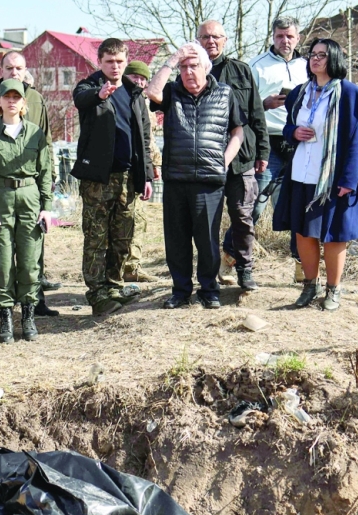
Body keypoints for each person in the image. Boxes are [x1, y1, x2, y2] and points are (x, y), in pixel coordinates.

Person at [146, 42, 245, 310]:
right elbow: (151, 92)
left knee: (207, 242)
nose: (188, 72)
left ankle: (209, 290)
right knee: (176, 241)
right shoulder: (171, 92)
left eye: (194, 66)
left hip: (209, 182)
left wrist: (224, 160)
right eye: (183, 67)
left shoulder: (225, 93)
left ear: (206, 67)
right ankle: (180, 291)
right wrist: (171, 59)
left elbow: (238, 131)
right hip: (176, 179)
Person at [274, 39, 358, 312]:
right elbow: (287, 128)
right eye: (312, 55)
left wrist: (349, 181)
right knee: (303, 232)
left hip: (333, 177)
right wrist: (293, 132)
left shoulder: (348, 93)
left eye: (322, 55)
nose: (315, 60)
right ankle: (309, 286)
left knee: (334, 235)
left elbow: (355, 141)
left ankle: (333, 290)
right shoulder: (300, 93)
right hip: (302, 172)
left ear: (334, 59)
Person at [72, 38, 154, 316]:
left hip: (129, 178)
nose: (115, 67)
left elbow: (143, 137)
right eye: (109, 62)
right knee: (96, 237)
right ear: (100, 62)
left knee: (123, 236)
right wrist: (101, 95)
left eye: (120, 61)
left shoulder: (134, 91)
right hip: (98, 179)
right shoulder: (89, 86)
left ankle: (114, 285)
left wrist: (147, 176)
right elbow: (80, 99)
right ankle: (97, 293)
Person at [0, 79, 54, 343]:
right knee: (3, 262)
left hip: (30, 199)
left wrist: (47, 208)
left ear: (23, 103)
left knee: (30, 262)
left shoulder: (35, 133)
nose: (11, 101)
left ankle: (28, 314)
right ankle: (6, 315)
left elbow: (45, 172)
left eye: (16, 97)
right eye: (6, 96)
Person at [0, 51, 60, 316]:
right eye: (9, 68)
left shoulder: (35, 98)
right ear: (0, 70)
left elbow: (46, 139)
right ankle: (4, 306)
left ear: (26, 70)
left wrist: (50, 177)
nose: (15, 72)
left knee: (31, 249)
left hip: (30, 186)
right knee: (1, 252)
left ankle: (35, 303)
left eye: (19, 68)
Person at [196, 20, 269, 292]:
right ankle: (209, 275)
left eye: (215, 37)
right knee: (207, 223)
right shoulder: (191, 72)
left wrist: (263, 150)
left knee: (242, 217)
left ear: (224, 40)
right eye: (205, 37)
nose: (210, 42)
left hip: (242, 161)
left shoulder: (241, 70)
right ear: (197, 40)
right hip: (205, 161)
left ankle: (244, 269)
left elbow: (257, 113)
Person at [248, 16, 309, 282]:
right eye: (280, 36)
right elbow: (242, 108)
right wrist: (265, 103)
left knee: (300, 207)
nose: (285, 41)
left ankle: (302, 266)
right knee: (254, 205)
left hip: (301, 144)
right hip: (268, 143)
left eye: (290, 36)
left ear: (298, 38)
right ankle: (231, 258)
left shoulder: (309, 66)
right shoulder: (256, 66)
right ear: (272, 36)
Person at [120, 60, 162, 284]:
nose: (139, 81)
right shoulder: (124, 99)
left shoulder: (144, 101)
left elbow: (150, 140)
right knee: (130, 219)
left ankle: (133, 265)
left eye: (143, 78)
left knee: (140, 219)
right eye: (135, 76)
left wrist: (155, 165)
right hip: (129, 168)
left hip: (144, 167)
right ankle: (125, 266)